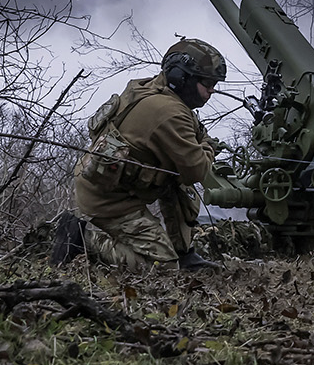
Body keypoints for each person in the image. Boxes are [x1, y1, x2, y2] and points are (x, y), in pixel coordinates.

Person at [50, 40, 228, 272]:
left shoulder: (148, 87)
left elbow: (188, 134)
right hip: (108, 199)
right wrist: (208, 147)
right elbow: (197, 170)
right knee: (162, 267)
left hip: (108, 181)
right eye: (207, 83)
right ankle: (82, 238)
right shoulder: (170, 112)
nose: (212, 90)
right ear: (181, 77)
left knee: (177, 180)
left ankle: (184, 253)